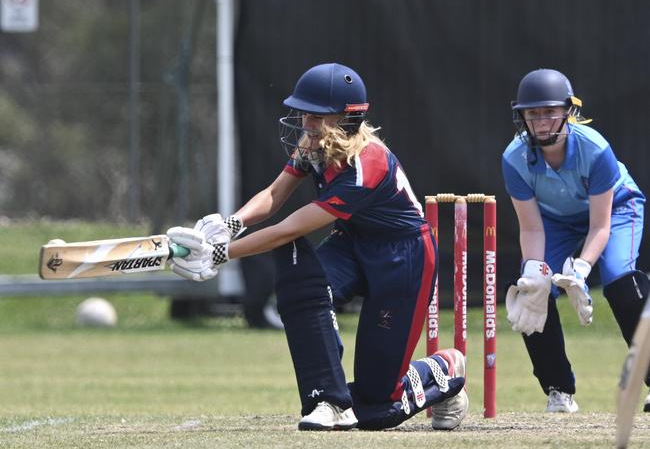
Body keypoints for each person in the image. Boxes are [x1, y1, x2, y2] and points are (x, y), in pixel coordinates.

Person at [165, 63, 468, 430]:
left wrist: (220, 254)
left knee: (377, 407)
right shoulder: (313, 144)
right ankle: (328, 401)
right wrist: (232, 225)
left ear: (346, 119)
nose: (306, 124)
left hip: (404, 259)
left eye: (315, 116)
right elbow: (275, 195)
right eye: (304, 114)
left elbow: (286, 229)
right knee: (302, 288)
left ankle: (443, 370)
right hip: (353, 242)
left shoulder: (365, 168)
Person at [502, 68, 649, 413]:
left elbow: (600, 226)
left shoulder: (595, 149)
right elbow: (532, 229)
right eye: (532, 113)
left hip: (617, 209)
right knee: (531, 290)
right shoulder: (513, 158)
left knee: (621, 282)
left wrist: (581, 268)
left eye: (550, 111)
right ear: (521, 114)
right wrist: (536, 272)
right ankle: (558, 390)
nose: (540, 121)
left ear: (568, 110)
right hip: (555, 220)